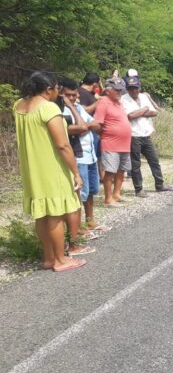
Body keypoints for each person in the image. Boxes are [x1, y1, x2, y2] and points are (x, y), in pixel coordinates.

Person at [12, 71, 86, 272]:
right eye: (56, 89)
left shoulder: (19, 106)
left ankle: (48, 258)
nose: (57, 93)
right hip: (51, 167)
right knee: (55, 214)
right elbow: (63, 145)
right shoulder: (49, 109)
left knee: (42, 216)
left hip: (32, 169)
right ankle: (60, 260)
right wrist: (75, 172)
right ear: (48, 89)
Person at [56, 78, 96, 256]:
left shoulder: (78, 107)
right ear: (60, 94)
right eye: (68, 95)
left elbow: (91, 125)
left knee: (84, 195)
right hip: (73, 157)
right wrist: (72, 107)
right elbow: (81, 127)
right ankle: (73, 237)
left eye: (74, 95)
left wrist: (78, 113)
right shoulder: (59, 112)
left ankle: (80, 229)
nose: (72, 98)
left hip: (84, 154)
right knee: (75, 198)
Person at [121, 76, 173, 197]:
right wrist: (145, 109)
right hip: (133, 135)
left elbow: (154, 112)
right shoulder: (123, 99)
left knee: (154, 160)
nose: (133, 91)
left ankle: (159, 184)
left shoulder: (144, 97)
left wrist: (140, 112)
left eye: (135, 88)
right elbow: (130, 116)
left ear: (139, 87)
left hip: (146, 134)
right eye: (131, 88)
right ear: (127, 89)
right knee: (136, 164)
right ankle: (139, 189)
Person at [90, 79, 132, 206]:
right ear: (108, 90)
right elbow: (97, 123)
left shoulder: (119, 102)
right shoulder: (104, 102)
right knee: (110, 171)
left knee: (121, 170)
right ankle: (108, 198)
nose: (119, 92)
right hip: (110, 143)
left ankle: (117, 194)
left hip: (124, 143)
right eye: (116, 89)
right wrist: (105, 134)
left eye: (121, 89)